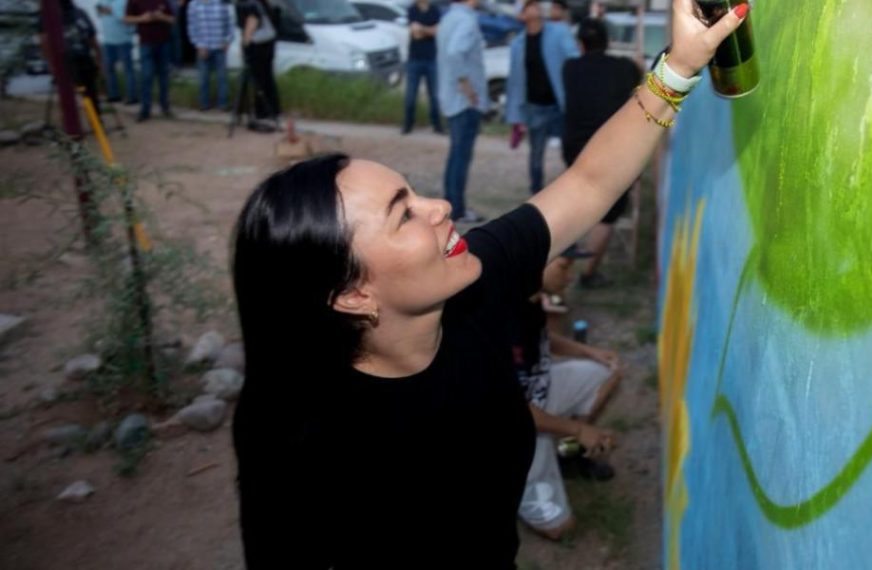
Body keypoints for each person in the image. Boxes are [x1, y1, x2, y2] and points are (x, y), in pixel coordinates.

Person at [230, 0, 746, 565]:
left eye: (416, 192)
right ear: (353, 295)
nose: (441, 207)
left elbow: (589, 184)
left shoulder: (471, 282)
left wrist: (679, 67)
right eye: (404, 215)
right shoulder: (297, 435)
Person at [513, 248, 622, 539]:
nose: (571, 277)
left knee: (607, 371)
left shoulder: (530, 298)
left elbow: (542, 337)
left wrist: (589, 351)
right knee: (561, 529)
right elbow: (513, 411)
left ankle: (566, 453)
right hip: (511, 425)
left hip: (538, 397)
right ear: (536, 266)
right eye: (564, 267)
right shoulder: (500, 319)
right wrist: (579, 429)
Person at [562, 18, 640, 288]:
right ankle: (588, 274)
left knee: (578, 201)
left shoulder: (570, 68)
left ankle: (563, 261)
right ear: (607, 42)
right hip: (612, 148)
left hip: (575, 148)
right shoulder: (625, 68)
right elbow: (638, 79)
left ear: (580, 44)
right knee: (608, 213)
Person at [505, 0, 578, 194]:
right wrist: (516, 115)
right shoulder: (518, 44)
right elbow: (515, 81)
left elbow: (574, 59)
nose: (535, 7)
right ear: (522, 15)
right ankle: (536, 192)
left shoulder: (559, 32)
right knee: (536, 153)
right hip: (535, 106)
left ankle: (572, 190)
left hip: (561, 103)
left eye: (536, 4)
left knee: (571, 150)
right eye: (529, 5)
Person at [437, 0, 486, 222]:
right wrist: (467, 86)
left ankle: (451, 204)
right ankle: (457, 209)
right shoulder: (466, 20)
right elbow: (455, 52)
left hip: (451, 97)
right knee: (461, 156)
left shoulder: (448, 18)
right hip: (465, 100)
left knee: (455, 154)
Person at [38, 0, 102, 114]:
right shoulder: (48, 16)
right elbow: (44, 41)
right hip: (65, 62)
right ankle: (86, 117)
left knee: (90, 92)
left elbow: (92, 37)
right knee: (72, 95)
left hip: (84, 58)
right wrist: (51, 64)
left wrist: (98, 58)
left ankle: (96, 118)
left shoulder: (80, 13)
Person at [125, 0, 175, 121]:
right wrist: (142, 18)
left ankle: (165, 106)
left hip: (163, 42)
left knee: (164, 76)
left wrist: (162, 17)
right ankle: (145, 109)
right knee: (146, 76)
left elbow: (173, 19)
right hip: (146, 43)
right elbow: (126, 19)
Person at [237, 0, 280, 129]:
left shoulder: (248, 4)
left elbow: (252, 21)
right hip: (268, 41)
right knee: (267, 77)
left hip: (258, 44)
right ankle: (272, 109)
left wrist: (245, 43)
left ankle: (262, 111)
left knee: (258, 79)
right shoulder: (260, 3)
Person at [403, 0, 444, 135]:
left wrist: (422, 28)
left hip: (431, 58)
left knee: (434, 96)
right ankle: (408, 124)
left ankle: (437, 125)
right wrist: (428, 29)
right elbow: (415, 34)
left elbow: (436, 31)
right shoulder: (412, 10)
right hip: (414, 59)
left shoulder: (434, 10)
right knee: (410, 95)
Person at [186, 0, 232, 111]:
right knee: (203, 78)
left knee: (222, 78)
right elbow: (191, 27)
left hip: (219, 46)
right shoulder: (194, 5)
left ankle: (223, 104)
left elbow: (229, 23)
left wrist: (227, 41)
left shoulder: (221, 3)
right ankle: (204, 104)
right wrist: (198, 44)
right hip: (203, 47)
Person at [95, 0, 137, 104]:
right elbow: (99, 12)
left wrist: (111, 10)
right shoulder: (102, 1)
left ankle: (132, 97)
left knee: (128, 70)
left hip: (124, 39)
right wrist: (104, 10)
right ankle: (114, 95)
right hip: (108, 40)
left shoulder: (124, 2)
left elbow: (125, 18)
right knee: (109, 69)